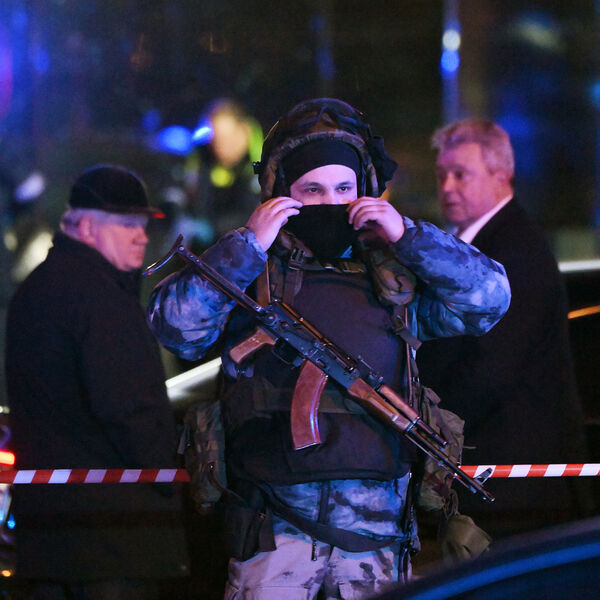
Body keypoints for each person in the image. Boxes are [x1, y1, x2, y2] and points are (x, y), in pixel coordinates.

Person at [147, 98, 510, 599]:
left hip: (375, 530)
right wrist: (246, 246)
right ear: (282, 195)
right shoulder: (250, 268)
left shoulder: (390, 276)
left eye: (344, 189)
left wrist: (408, 236)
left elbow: (489, 300)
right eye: (312, 190)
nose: (331, 202)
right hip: (271, 527)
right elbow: (175, 327)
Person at [5, 165, 189, 599]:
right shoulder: (101, 299)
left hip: (49, 537)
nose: (141, 236)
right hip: (114, 536)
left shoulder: (38, 289)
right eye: (126, 225)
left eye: (142, 225)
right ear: (86, 227)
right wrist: (170, 474)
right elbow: (129, 408)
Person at [417, 118, 592, 539]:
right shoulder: (473, 246)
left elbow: (489, 371)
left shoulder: (514, 252)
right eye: (442, 175)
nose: (447, 187)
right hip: (492, 485)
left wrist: (419, 425)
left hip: (512, 492)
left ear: (502, 176)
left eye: (461, 174)